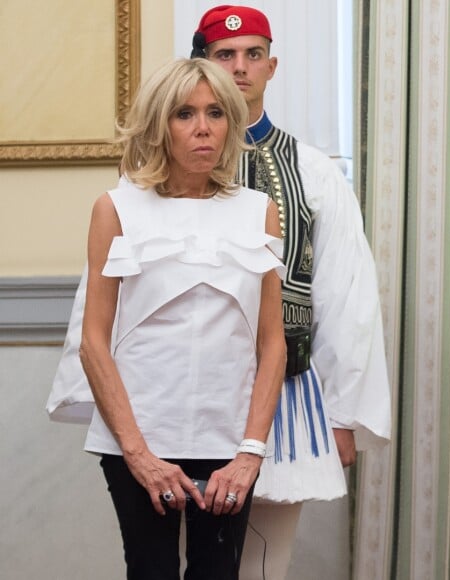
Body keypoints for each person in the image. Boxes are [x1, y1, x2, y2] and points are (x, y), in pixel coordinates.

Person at [52, 57, 287, 579]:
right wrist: (138, 454)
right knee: (151, 572)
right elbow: (94, 342)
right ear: (160, 123)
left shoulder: (258, 210)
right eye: (184, 114)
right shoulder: (115, 209)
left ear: (231, 122)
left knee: (217, 573)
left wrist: (250, 453)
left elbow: (272, 343)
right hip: (137, 438)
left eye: (215, 113)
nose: (203, 128)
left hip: (230, 442)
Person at [189, 6, 392, 579]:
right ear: (203, 62)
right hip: (187, 392)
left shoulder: (312, 170)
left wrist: (344, 413)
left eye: (253, 54)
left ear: (272, 65)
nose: (240, 67)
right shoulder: (169, 164)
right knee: (181, 557)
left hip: (286, 396)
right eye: (225, 55)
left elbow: (346, 293)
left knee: (262, 565)